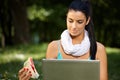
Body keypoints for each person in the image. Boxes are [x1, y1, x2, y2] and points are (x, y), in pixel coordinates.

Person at [18, 0, 108, 80]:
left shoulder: (99, 49)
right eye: (70, 20)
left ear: (87, 21)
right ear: (66, 18)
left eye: (79, 22)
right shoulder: (53, 47)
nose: (74, 27)